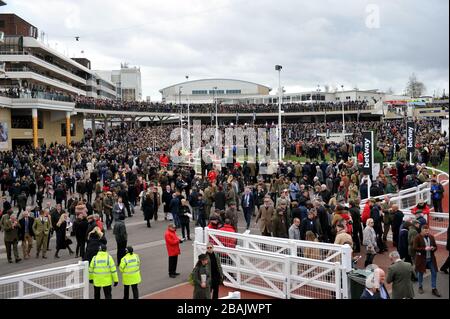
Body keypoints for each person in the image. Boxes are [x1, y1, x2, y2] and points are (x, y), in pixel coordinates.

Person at [413, 225, 441, 297]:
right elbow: (415, 248)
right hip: (421, 259)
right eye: (425, 231)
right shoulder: (417, 237)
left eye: (428, 231)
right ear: (421, 230)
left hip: (431, 258)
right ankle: (420, 286)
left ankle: (434, 288)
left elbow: (435, 246)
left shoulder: (431, 237)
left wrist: (433, 248)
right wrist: (424, 249)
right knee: (420, 273)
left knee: (434, 272)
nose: (427, 232)